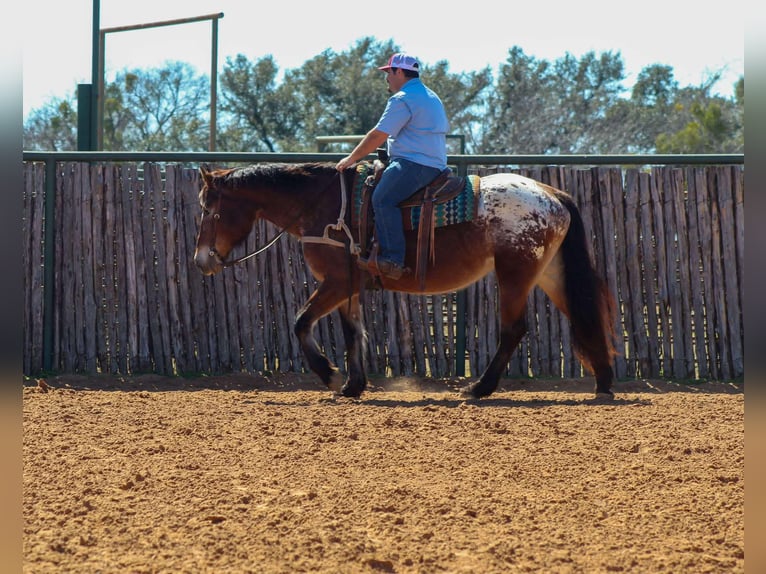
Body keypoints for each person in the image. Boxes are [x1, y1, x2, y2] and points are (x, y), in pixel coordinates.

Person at [336, 53, 449, 280]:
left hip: (414, 164)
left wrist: (351, 159)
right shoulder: (430, 95)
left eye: (388, 72)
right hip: (434, 164)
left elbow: (378, 134)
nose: (386, 78)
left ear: (399, 72)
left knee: (382, 199)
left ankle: (393, 259)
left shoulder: (403, 99)